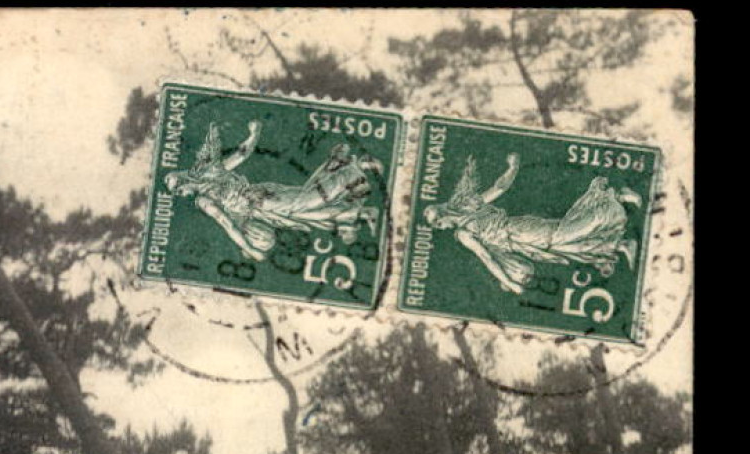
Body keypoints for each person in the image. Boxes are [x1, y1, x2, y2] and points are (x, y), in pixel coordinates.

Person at [164, 119, 383, 262]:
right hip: (262, 205)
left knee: (309, 201)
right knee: (306, 214)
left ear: (184, 181)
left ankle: (353, 170)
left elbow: (227, 223)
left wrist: (252, 251)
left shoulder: (206, 193)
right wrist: (254, 133)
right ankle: (357, 209)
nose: (179, 196)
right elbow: (240, 156)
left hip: (263, 200)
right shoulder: (210, 177)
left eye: (177, 190)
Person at [423, 153, 642, 294]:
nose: (441, 228)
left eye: (438, 224)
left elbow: (487, 256)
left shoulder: (466, 223)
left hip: (518, 230)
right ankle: (622, 245)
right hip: (520, 244)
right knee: (567, 247)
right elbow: (489, 255)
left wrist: (513, 168)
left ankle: (616, 197)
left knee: (563, 235)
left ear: (443, 217)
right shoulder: (464, 223)